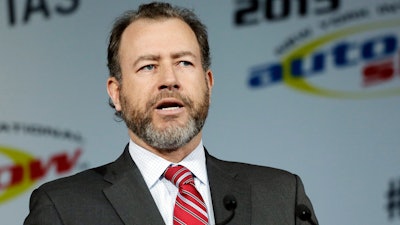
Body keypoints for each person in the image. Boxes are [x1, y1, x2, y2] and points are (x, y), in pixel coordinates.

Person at [24, 2, 318, 225]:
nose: (169, 79)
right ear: (116, 93)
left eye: (184, 63)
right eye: (148, 66)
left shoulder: (280, 195)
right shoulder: (62, 208)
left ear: (208, 83)